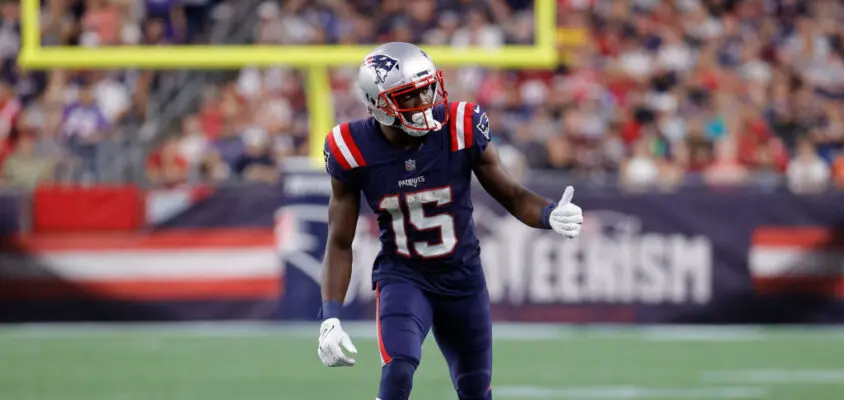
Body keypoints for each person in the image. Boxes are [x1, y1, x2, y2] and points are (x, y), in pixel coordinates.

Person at [317, 42, 584, 400]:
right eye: (410, 96)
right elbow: (338, 240)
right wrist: (330, 316)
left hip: (463, 278)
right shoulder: (350, 147)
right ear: (379, 103)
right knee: (398, 367)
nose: (425, 102)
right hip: (404, 275)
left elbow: (512, 194)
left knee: (475, 390)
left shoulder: (460, 124)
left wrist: (549, 214)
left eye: (428, 88)